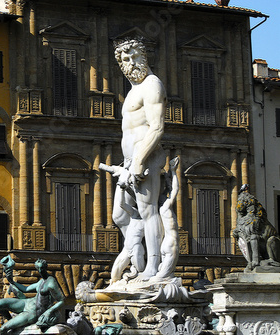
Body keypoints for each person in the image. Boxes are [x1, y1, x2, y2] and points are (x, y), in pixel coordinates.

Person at [111, 38, 166, 280]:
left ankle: (153, 270)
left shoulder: (152, 85)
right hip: (129, 161)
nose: (131, 63)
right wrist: (129, 162)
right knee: (120, 215)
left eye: (135, 56)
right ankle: (138, 262)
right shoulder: (134, 90)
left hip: (146, 157)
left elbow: (157, 127)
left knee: (148, 211)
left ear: (144, 56)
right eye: (125, 59)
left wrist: (140, 160)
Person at [0, 258, 65, 335]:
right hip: (26, 303)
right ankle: (11, 321)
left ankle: (12, 324)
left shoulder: (51, 283)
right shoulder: (41, 281)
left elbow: (61, 300)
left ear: (46, 267)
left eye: (42, 268)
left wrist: (48, 312)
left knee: (3, 329)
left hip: (33, 312)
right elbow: (25, 289)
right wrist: (11, 281)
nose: (40, 270)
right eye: (38, 268)